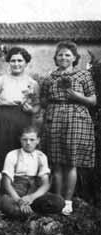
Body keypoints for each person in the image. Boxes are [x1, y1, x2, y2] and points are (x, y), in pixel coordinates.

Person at [41, 41, 96, 215]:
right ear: (56, 58)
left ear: (74, 58)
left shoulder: (83, 75)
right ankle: (55, 200)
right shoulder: (50, 77)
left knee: (71, 162)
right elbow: (43, 100)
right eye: (60, 55)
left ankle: (68, 201)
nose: (63, 57)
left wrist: (77, 96)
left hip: (76, 118)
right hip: (54, 116)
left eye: (67, 55)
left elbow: (93, 100)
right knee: (56, 163)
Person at [0, 47, 40, 170]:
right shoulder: (0, 81)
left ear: (26, 63)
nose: (16, 64)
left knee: (20, 150)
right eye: (13, 61)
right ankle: (2, 184)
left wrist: (32, 110)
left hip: (23, 119)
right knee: (1, 150)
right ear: (9, 62)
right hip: (2, 119)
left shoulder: (32, 83)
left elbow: (37, 106)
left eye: (20, 60)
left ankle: (19, 183)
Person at [1, 126, 64, 217]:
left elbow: (45, 184)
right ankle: (32, 214)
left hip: (34, 191)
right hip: (16, 191)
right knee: (5, 202)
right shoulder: (12, 155)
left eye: (32, 140)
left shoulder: (41, 156)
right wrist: (19, 201)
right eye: (24, 139)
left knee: (59, 201)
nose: (28, 143)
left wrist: (32, 197)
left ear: (38, 140)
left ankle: (27, 213)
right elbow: (6, 183)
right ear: (20, 140)